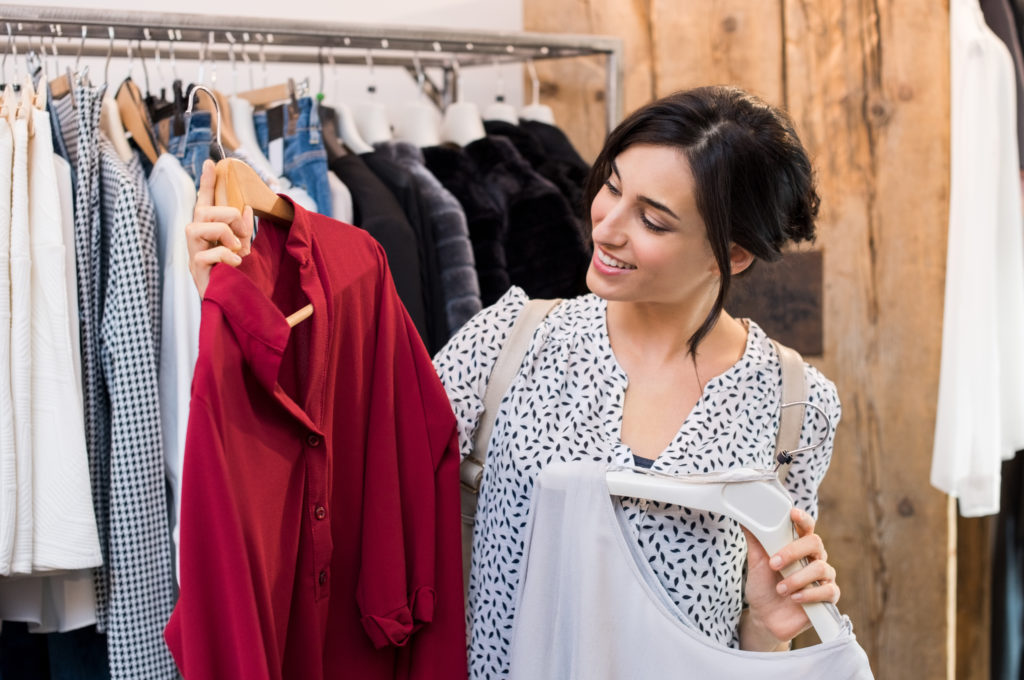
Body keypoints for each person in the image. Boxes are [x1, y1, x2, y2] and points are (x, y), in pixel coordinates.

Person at [185, 85, 842, 677]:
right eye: (611, 186)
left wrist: (764, 624)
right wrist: (234, 307)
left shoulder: (795, 406)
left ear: (732, 252)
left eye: (652, 219)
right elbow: (348, 470)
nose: (605, 227)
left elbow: (754, 646)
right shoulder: (511, 343)